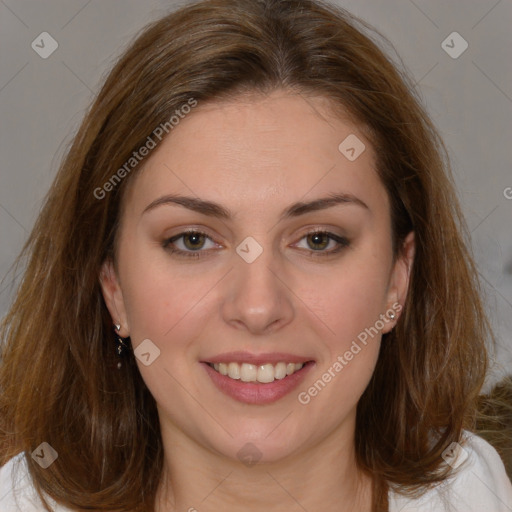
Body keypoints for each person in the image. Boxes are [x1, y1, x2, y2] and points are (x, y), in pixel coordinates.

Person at [1, 0, 511, 510]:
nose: (258, 307)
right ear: (112, 286)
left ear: (398, 278)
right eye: (193, 240)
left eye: (318, 240)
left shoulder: (474, 492)